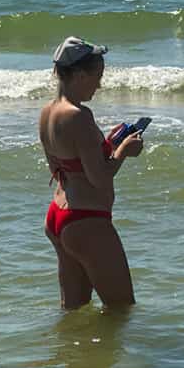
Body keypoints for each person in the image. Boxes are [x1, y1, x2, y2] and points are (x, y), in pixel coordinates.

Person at [39, 37, 145, 308]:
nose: (99, 85)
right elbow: (99, 178)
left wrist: (106, 145)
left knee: (73, 310)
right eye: (97, 77)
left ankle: (70, 351)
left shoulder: (47, 112)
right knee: (122, 309)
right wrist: (123, 151)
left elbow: (61, 168)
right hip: (87, 221)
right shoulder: (79, 115)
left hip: (58, 216)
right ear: (78, 74)